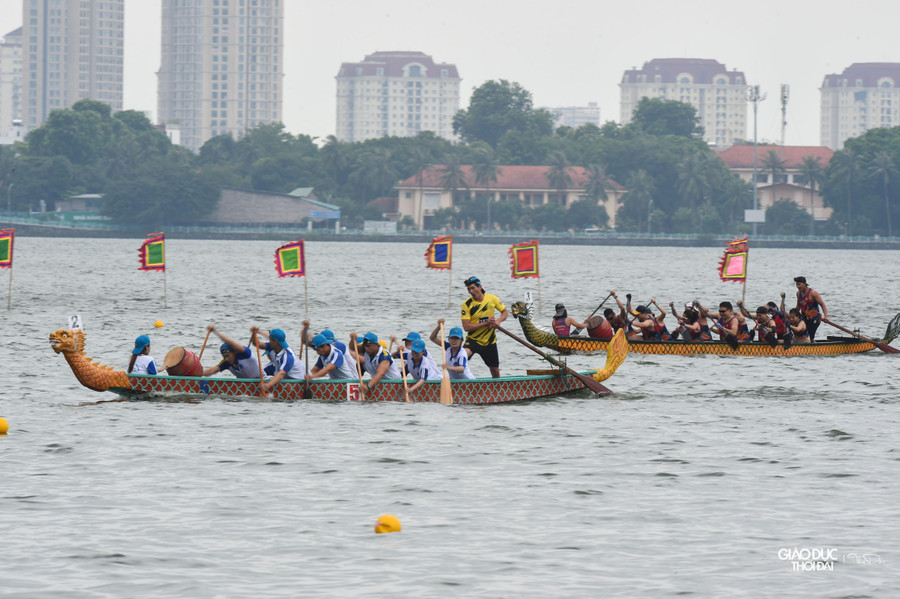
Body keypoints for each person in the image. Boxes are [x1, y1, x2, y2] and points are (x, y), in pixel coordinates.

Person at [460, 275, 509, 378]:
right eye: (469, 289)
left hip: (489, 341)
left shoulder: (492, 298)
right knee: (461, 357)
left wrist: (498, 321)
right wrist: (485, 323)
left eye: (473, 288)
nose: (471, 291)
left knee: (495, 369)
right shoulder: (467, 305)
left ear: (480, 287)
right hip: (473, 340)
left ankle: (497, 388)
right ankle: (460, 382)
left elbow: (504, 312)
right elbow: (466, 327)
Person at [250, 327, 306, 393]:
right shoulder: (272, 346)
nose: (269, 341)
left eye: (270, 339)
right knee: (258, 374)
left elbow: (282, 373)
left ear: (275, 342)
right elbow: (257, 344)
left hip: (300, 381)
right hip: (282, 373)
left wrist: (268, 385)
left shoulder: (288, 356)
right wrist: (254, 334)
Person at [795, 276, 828, 341]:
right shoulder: (798, 293)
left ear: (804, 284)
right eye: (796, 284)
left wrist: (826, 316)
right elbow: (798, 306)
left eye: (799, 284)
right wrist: (793, 316)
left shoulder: (813, 293)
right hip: (804, 317)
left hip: (814, 318)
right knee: (801, 334)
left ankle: (813, 346)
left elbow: (822, 305)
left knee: (810, 336)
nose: (798, 286)